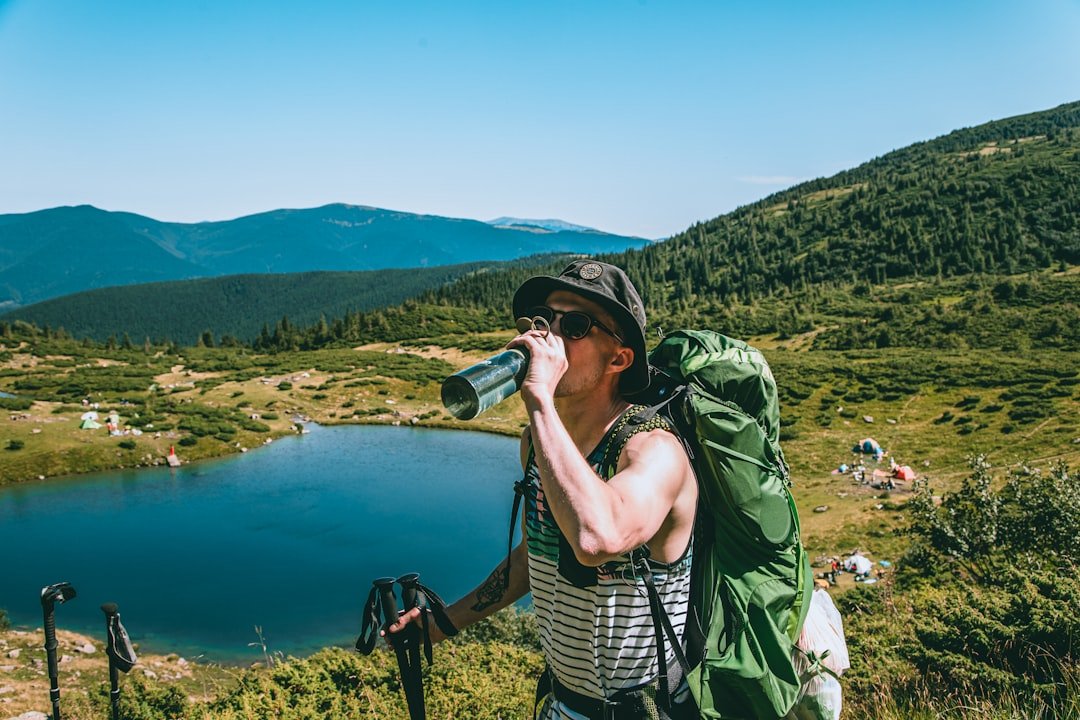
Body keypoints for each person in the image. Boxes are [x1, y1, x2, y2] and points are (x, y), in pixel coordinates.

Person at [387, 260, 699, 719]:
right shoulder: (538, 444)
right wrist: (443, 622)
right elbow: (537, 555)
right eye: (541, 320)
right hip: (560, 702)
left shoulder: (654, 451)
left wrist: (537, 399)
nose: (547, 337)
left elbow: (597, 539)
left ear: (620, 358)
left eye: (574, 326)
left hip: (642, 708)